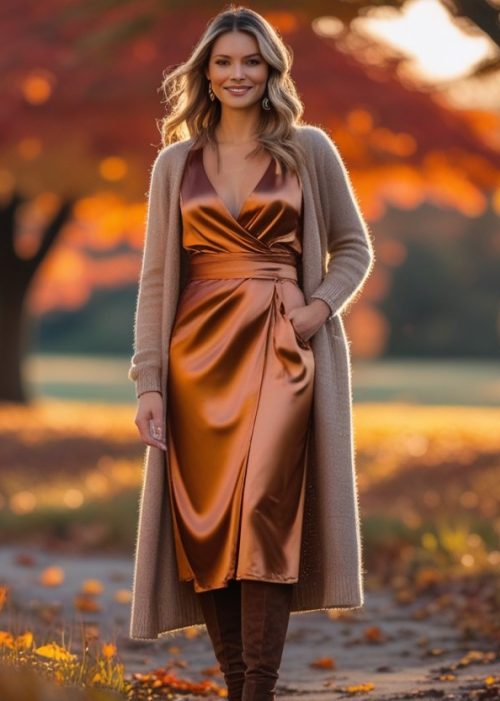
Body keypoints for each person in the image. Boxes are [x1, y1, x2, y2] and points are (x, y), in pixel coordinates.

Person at [128, 6, 374, 701]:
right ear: (206, 72)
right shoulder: (174, 163)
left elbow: (354, 247)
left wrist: (317, 307)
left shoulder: (309, 148)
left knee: (265, 510)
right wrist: (149, 382)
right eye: (225, 62)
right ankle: (239, 687)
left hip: (282, 348)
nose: (238, 74)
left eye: (252, 61)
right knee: (206, 526)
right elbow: (154, 280)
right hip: (195, 358)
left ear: (271, 71)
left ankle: (258, 688)